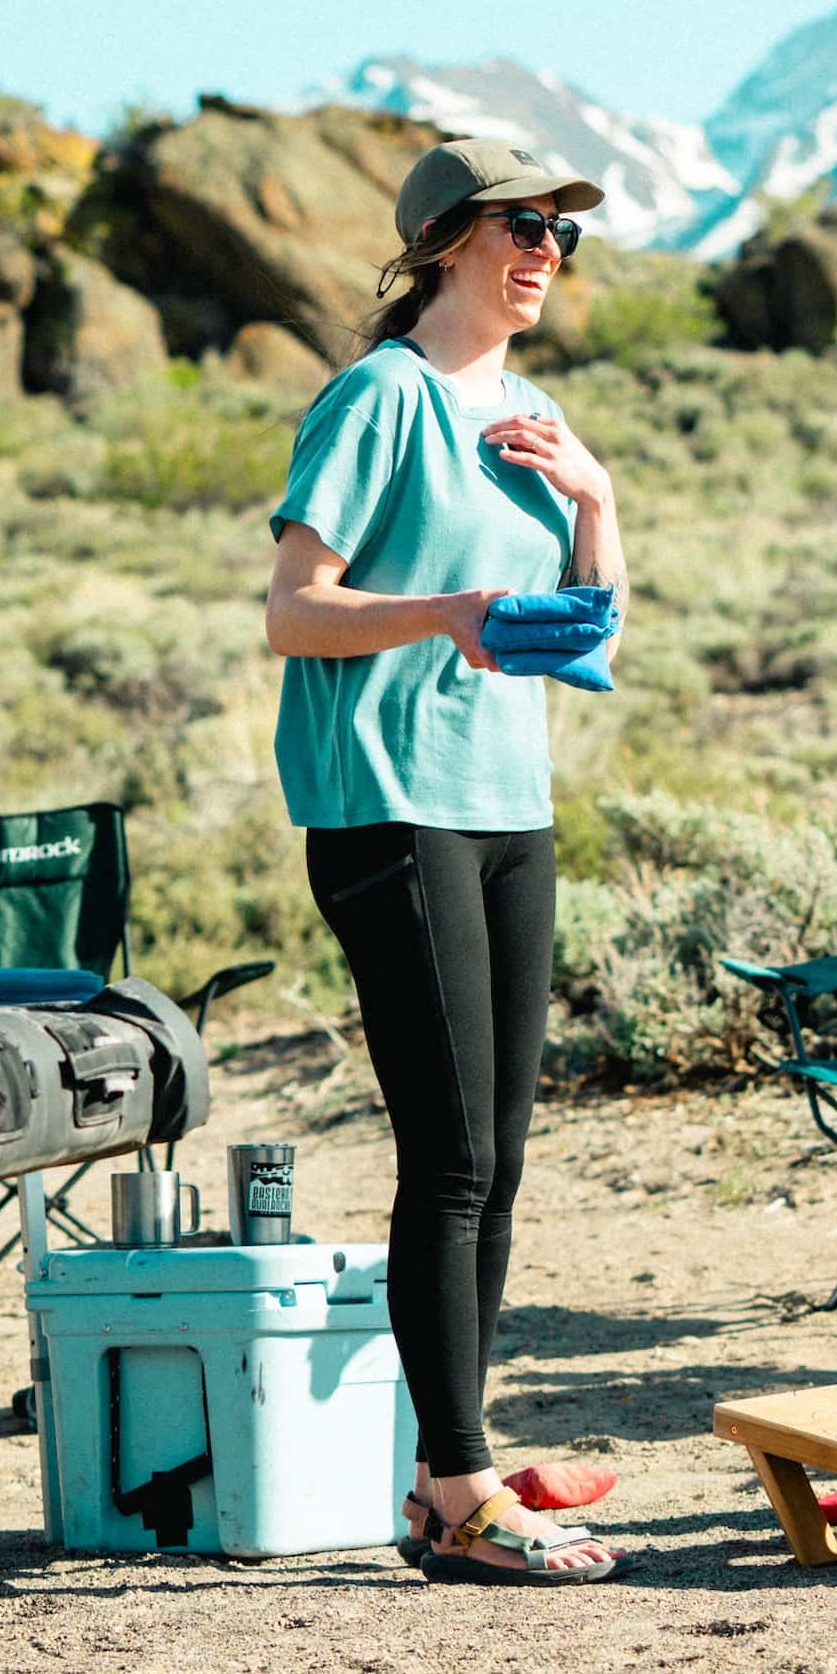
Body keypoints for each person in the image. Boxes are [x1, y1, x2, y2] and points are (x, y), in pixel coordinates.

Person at [266, 138, 628, 1582]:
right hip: (389, 805)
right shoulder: (377, 401)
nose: (546, 252)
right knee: (455, 1154)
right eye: (520, 228)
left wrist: (596, 503)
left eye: (561, 236)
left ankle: (447, 1468)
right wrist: (444, 611)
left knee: (507, 1155)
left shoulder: (534, 413)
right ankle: (464, 1482)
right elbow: (298, 612)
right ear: (444, 246)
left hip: (507, 802)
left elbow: (588, 639)